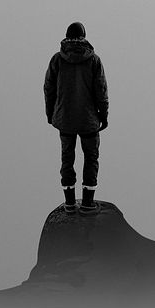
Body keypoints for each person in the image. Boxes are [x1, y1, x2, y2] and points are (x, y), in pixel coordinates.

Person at [44, 21, 109, 214]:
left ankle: (70, 203)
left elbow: (48, 89)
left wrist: (51, 114)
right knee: (91, 158)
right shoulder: (94, 60)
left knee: (67, 158)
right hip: (89, 120)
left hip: (64, 118)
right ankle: (88, 203)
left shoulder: (57, 59)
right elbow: (101, 91)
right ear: (84, 36)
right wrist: (103, 116)